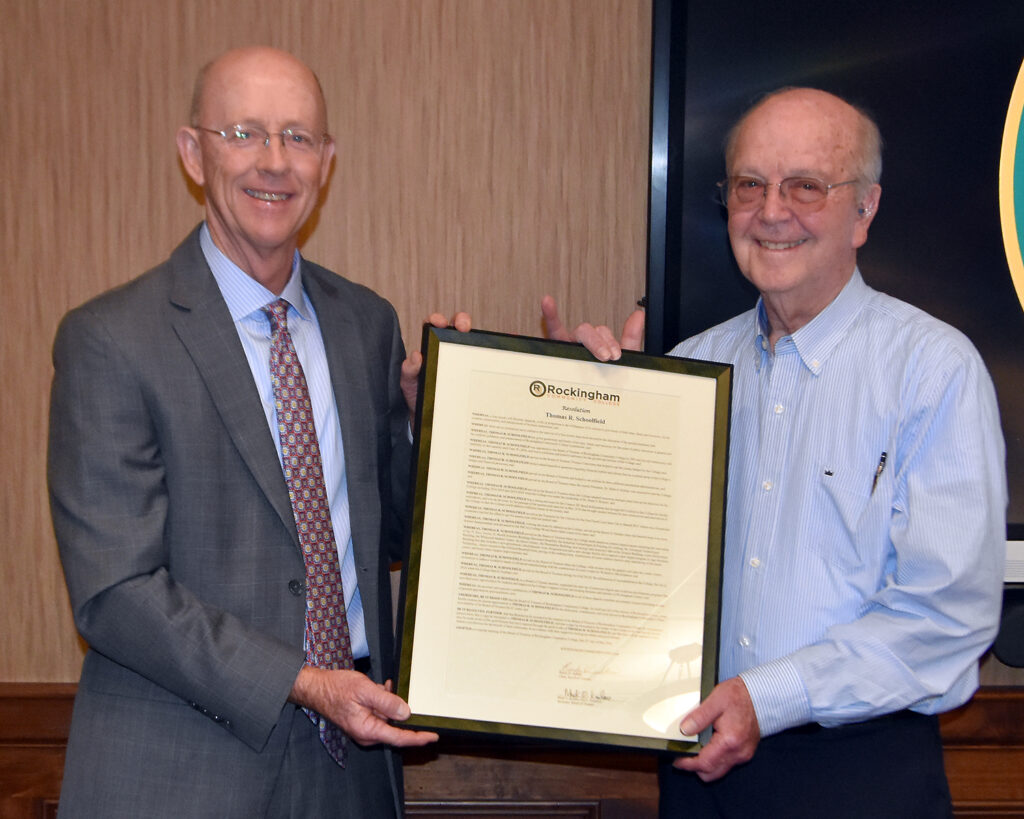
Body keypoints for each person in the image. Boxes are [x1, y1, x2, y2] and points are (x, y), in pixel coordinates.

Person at [544, 88, 1007, 817]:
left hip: (862, 776)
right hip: (701, 777)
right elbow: (616, 569)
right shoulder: (691, 370)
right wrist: (585, 419)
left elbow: (947, 618)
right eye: (749, 186)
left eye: (806, 186)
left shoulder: (933, 371)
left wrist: (771, 696)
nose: (771, 211)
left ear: (865, 210)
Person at [48, 46, 459, 817]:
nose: (274, 162)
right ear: (192, 153)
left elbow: (392, 536)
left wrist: (427, 420)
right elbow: (114, 591)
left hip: (354, 774)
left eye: (298, 138)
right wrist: (303, 682)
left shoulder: (367, 326)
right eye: (244, 133)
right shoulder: (111, 338)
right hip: (184, 773)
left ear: (327, 161)